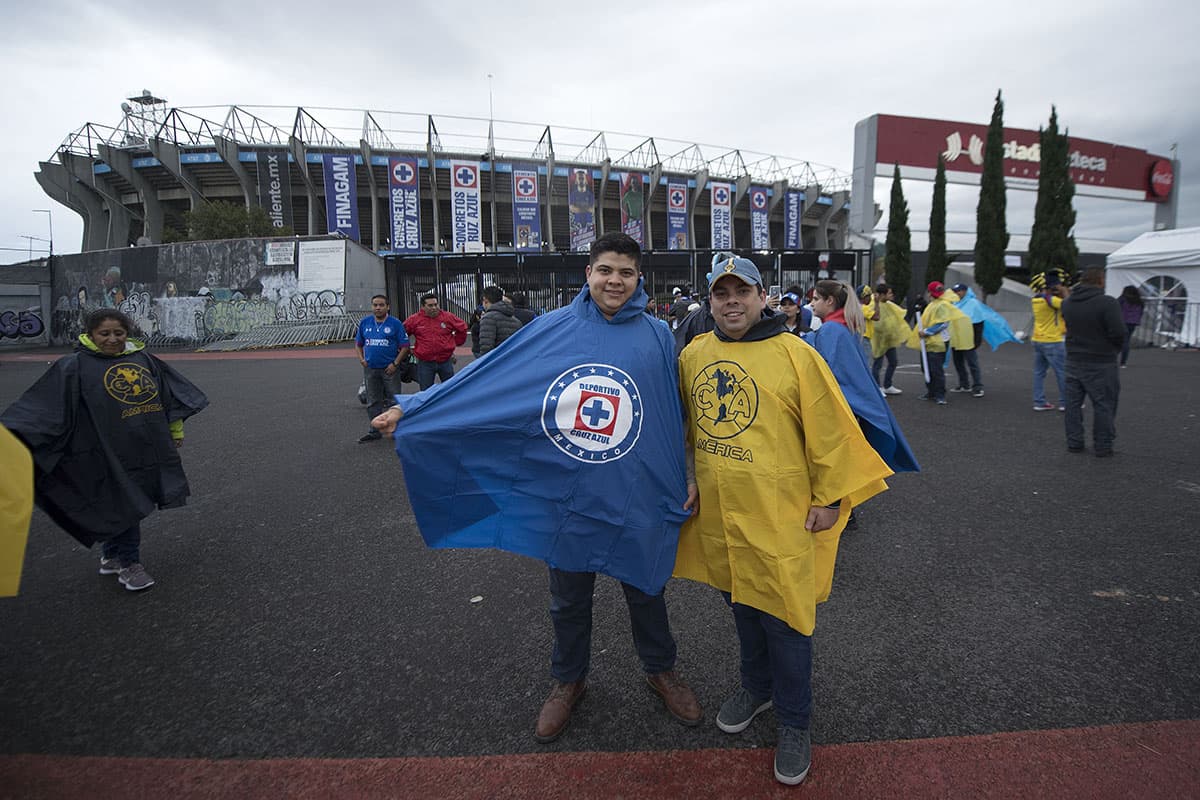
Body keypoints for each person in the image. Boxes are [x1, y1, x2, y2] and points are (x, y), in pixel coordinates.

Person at [372, 232, 702, 743]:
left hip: (636, 489)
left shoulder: (659, 335)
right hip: (568, 491)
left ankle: (661, 669)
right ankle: (568, 681)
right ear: (588, 273)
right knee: (568, 598)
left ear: (640, 280)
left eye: (626, 273)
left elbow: (668, 410)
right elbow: (485, 378)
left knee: (647, 588)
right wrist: (413, 408)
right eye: (606, 270)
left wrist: (686, 473)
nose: (615, 281)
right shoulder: (552, 328)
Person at [675, 255, 893, 785]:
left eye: (741, 291)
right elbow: (685, 425)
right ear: (710, 300)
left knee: (788, 618)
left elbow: (831, 429)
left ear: (762, 296)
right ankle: (758, 686)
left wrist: (831, 497)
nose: (731, 301)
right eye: (721, 292)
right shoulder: (695, 353)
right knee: (741, 602)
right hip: (724, 514)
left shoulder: (797, 354)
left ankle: (795, 721)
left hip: (783, 513)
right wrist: (688, 476)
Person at [1, 309, 207, 592]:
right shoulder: (74, 366)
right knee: (127, 503)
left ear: (127, 334)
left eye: (118, 333)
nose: (112, 339)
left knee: (122, 501)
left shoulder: (143, 359)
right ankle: (130, 564)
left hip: (141, 448)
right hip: (102, 450)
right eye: (104, 334)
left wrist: (175, 431)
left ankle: (111, 556)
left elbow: (167, 396)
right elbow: (42, 408)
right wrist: (11, 438)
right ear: (91, 334)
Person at [804, 280, 919, 474]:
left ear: (830, 300)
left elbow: (828, 372)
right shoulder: (843, 327)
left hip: (837, 411)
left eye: (816, 299)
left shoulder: (831, 330)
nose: (812, 303)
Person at [1062, 267, 1125, 457]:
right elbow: (1119, 332)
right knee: (1103, 404)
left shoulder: (1067, 303)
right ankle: (1103, 445)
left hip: (1073, 359)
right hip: (1100, 361)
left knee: (1073, 405)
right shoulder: (1107, 303)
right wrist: (1113, 349)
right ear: (1100, 280)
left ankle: (1074, 442)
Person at [906, 281, 972, 405]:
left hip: (939, 342)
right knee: (926, 368)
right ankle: (931, 391)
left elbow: (943, 323)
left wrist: (926, 332)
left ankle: (940, 394)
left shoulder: (941, 305)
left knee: (936, 369)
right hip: (928, 342)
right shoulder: (933, 304)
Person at [355, 295, 410, 443]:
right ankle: (374, 431)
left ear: (387, 307)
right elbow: (358, 343)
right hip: (371, 368)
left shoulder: (395, 323)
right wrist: (362, 359)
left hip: (389, 369)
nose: (377, 308)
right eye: (375, 305)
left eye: (381, 305)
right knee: (373, 401)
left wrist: (395, 363)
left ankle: (397, 430)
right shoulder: (365, 323)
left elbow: (405, 346)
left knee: (395, 400)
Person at [404, 293, 468, 391]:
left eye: (436, 304)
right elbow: (402, 334)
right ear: (422, 307)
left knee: (450, 389)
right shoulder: (414, 319)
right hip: (425, 362)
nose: (434, 307)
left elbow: (462, 328)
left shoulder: (447, 317)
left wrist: (455, 343)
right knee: (426, 391)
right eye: (430, 305)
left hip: (445, 360)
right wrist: (407, 349)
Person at [1030, 269, 1070, 411]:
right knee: (1062, 372)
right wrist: (1063, 290)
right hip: (1053, 340)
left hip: (1037, 339)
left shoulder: (1035, 299)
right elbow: (1070, 305)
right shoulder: (1051, 300)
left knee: (1039, 373)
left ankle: (1039, 402)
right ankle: (1066, 402)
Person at [870, 283, 908, 395]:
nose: (892, 295)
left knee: (893, 362)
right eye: (889, 293)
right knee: (877, 364)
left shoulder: (889, 305)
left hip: (889, 340)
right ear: (882, 294)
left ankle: (887, 385)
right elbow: (877, 324)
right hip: (879, 341)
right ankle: (877, 387)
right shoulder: (874, 304)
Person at [949, 282, 986, 398]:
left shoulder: (973, 304)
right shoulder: (954, 303)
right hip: (957, 338)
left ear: (965, 291)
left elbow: (979, 323)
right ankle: (964, 384)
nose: (956, 293)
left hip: (969, 339)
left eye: (959, 291)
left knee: (972, 363)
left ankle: (978, 386)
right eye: (955, 291)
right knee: (958, 362)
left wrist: (976, 341)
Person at [476, 285, 523, 356]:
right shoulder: (516, 320)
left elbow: (486, 347)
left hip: (496, 360)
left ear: (485, 300)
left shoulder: (488, 318)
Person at [1117, 285, 1144, 367]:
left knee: (1118, 341)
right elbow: (1141, 312)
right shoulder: (1139, 301)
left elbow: (1116, 307)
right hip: (1133, 323)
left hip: (1122, 321)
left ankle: (1113, 359)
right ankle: (1123, 362)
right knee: (1126, 341)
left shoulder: (1122, 299)